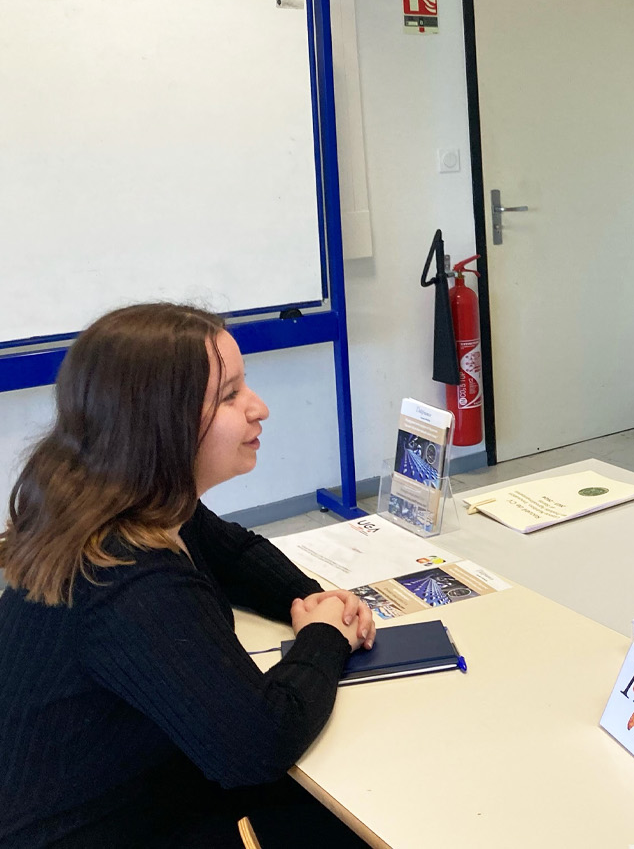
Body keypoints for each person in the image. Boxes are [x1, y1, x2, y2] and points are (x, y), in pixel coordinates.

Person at [0, 303, 375, 849]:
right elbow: (257, 746)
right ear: (160, 420)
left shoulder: (123, 498)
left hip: (130, 786)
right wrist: (324, 638)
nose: (259, 408)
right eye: (229, 396)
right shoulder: (127, 577)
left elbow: (236, 554)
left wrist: (317, 599)